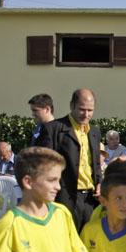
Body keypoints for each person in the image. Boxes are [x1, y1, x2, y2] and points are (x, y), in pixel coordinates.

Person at [35, 89, 102, 231]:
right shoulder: (53, 129)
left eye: (90, 110)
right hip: (65, 197)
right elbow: (43, 165)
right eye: (82, 109)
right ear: (72, 106)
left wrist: (100, 183)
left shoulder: (95, 131)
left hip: (90, 199)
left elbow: (95, 163)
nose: (86, 114)